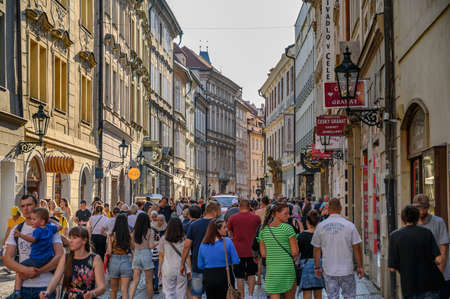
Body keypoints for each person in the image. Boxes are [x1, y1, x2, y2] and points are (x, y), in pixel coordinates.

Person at [3, 195, 63, 299]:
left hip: (46, 287)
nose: (26, 208)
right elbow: (7, 259)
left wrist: (39, 271)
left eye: (29, 205)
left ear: (37, 206)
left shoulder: (48, 228)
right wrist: (26, 270)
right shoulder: (17, 229)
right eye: (23, 206)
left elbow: (60, 256)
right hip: (23, 288)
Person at [311, 198, 363, 299]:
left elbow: (316, 249)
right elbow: (357, 248)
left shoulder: (321, 227)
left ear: (328, 210)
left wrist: (317, 267)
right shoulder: (350, 226)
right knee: (349, 296)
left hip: (329, 269)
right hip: (346, 269)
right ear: (340, 208)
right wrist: (360, 266)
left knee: (332, 297)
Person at [388, 205, 444, 298]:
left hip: (409, 286)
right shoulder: (427, 233)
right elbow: (439, 259)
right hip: (430, 284)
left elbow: (392, 268)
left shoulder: (394, 236)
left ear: (402, 218)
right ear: (417, 218)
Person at [39, 226, 106, 299]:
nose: (70, 240)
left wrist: (92, 294)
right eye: (70, 237)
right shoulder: (66, 257)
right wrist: (47, 292)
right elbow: (55, 279)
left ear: (84, 240)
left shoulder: (95, 259)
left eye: (74, 238)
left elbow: (102, 287)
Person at [180, 201, 221, 299]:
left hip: (198, 264)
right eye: (219, 210)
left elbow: (187, 246)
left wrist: (182, 263)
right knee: (214, 295)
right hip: (215, 266)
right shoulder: (219, 225)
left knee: (196, 293)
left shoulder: (194, 225)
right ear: (215, 211)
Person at [259, 202, 299, 299]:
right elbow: (295, 252)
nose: (288, 216)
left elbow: (263, 254)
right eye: (285, 213)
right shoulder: (288, 229)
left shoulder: (264, 231)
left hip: (272, 271)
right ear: (276, 213)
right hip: (287, 269)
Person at [413, 193, 450, 298]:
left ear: (428, 207)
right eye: (418, 208)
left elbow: (444, 249)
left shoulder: (438, 222)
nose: (421, 211)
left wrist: (439, 274)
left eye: (423, 208)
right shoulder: (412, 224)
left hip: (441, 276)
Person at [198, 219, 240, 299]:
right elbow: (236, 260)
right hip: (224, 275)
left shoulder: (203, 244)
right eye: (224, 227)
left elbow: (200, 265)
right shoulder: (227, 242)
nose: (226, 229)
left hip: (209, 276)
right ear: (217, 230)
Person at [227, 199, 261, 298]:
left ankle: (242, 297)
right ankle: (250, 295)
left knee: (239, 276)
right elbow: (259, 233)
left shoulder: (233, 218)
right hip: (252, 251)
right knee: (251, 274)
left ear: (239, 207)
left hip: (237, 251)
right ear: (249, 206)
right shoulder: (256, 218)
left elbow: (229, 234)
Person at [159, 217, 191, 298]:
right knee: (181, 292)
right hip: (181, 267)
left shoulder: (163, 239)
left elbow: (161, 256)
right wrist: (189, 270)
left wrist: (159, 269)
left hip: (167, 268)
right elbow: (187, 257)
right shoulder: (184, 240)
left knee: (169, 292)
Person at [297, 210, 324, 299]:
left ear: (307, 222)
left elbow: (297, 252)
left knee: (307, 292)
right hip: (319, 264)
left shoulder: (302, 236)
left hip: (306, 265)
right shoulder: (322, 234)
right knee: (318, 292)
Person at [129, 213, 156, 299]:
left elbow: (132, 245)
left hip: (137, 254)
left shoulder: (134, 231)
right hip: (146, 254)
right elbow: (151, 246)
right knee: (149, 281)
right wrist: (158, 242)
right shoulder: (150, 231)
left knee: (135, 280)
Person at [107, 214, 132, 299]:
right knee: (124, 290)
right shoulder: (129, 235)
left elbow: (109, 251)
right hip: (125, 260)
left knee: (113, 290)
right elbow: (133, 249)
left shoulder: (111, 235)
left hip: (114, 261)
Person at [151, 214, 167, 294]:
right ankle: (153, 284)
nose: (159, 222)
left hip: (162, 251)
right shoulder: (152, 227)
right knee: (153, 269)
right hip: (153, 250)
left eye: (161, 220)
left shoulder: (166, 228)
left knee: (158, 268)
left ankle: (156, 285)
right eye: (158, 220)